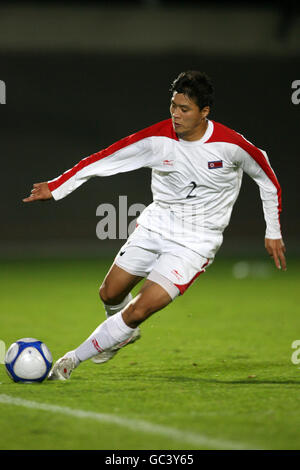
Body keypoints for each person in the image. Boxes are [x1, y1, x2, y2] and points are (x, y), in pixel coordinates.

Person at [23, 70, 286, 380]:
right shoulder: (157, 139)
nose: (176, 114)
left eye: (184, 109)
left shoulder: (231, 145)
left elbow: (267, 178)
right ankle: (122, 332)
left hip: (195, 243)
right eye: (173, 106)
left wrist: (273, 230)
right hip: (155, 227)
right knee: (109, 293)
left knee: (138, 310)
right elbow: (104, 159)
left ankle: (70, 361)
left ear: (204, 112)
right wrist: (56, 187)